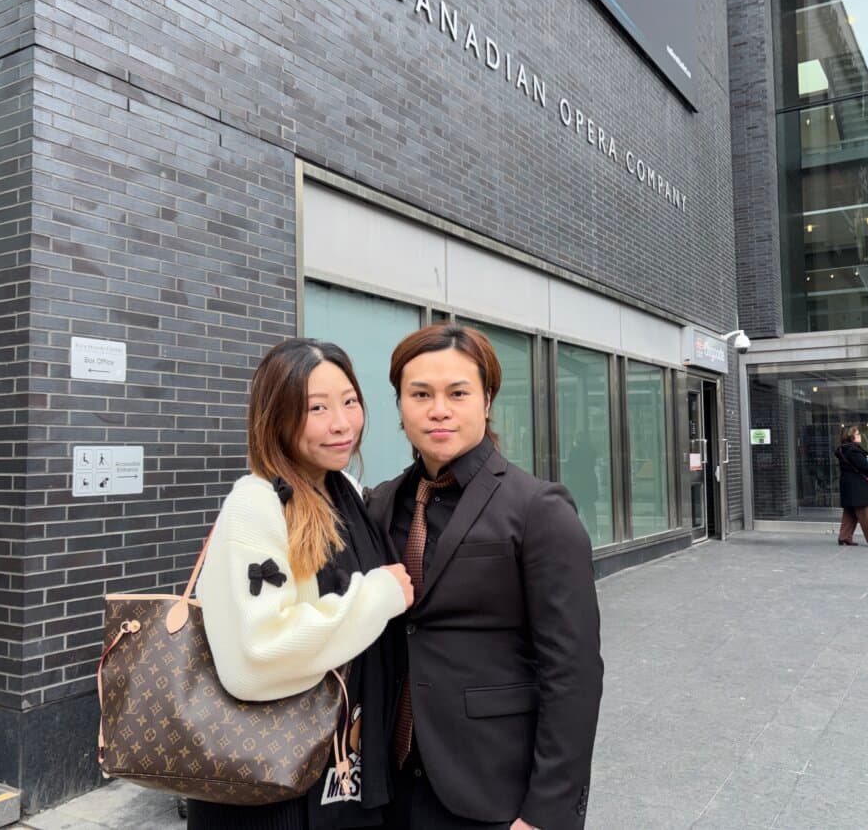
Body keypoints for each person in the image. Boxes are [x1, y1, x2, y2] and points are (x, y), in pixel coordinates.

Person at [367, 323, 604, 830]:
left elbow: (573, 671)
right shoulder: (382, 504)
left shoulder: (539, 509)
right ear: (400, 405)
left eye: (458, 393)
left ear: (488, 400)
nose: (439, 410)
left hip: (495, 792)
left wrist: (547, 813)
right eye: (420, 394)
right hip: (389, 788)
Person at [188, 338, 414, 830]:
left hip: (342, 765)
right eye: (317, 408)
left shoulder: (343, 491)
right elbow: (258, 654)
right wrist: (377, 597)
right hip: (274, 786)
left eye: (349, 402)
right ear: (277, 417)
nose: (342, 423)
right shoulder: (257, 504)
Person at [835, 425, 868, 548]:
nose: (860, 436)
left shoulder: (843, 450)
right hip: (858, 487)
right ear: (851, 436)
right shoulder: (854, 451)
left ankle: (844, 537)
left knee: (850, 513)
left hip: (848, 485)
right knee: (866, 514)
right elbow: (867, 468)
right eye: (857, 434)